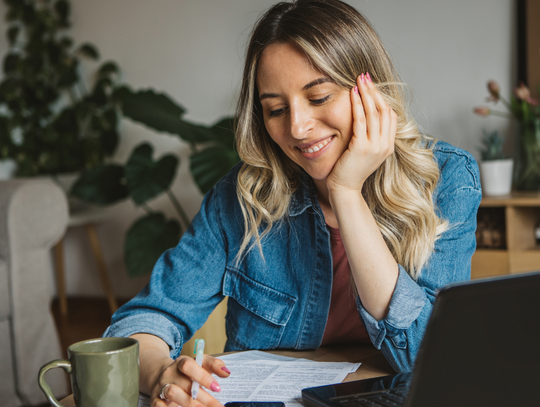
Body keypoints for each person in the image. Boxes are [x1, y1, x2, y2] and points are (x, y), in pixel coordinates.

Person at [104, 0, 482, 406]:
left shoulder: (445, 180)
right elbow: (142, 322)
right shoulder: (241, 199)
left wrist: (346, 192)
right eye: (276, 109)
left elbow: (427, 352)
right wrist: (162, 372)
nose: (298, 128)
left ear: (369, 91)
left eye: (318, 97)